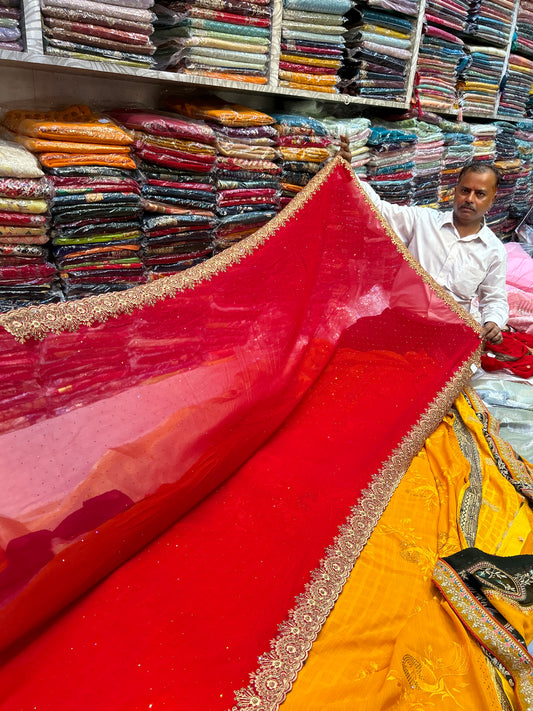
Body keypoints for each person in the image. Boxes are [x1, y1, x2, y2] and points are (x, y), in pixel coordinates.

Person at [339, 136, 508, 344]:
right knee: (348, 344)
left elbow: (495, 298)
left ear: (492, 200)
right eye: (465, 191)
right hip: (402, 322)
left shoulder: (494, 250)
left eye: (480, 194)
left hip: (447, 334)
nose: (470, 199)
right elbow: (378, 210)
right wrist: (349, 174)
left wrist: (492, 322)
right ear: (455, 192)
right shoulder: (422, 221)